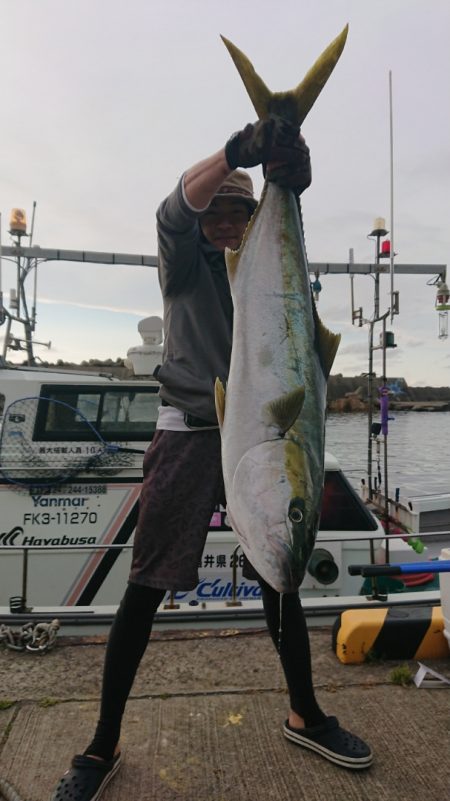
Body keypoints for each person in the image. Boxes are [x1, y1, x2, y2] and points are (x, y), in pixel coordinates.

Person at [50, 118, 372, 801]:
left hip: (261, 440)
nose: (229, 223)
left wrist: (289, 184)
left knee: (278, 573)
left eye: (241, 213)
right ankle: (100, 744)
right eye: (219, 211)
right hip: (194, 429)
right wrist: (237, 153)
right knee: (145, 585)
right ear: (204, 221)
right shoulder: (184, 263)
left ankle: (305, 712)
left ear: (255, 221)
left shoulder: (264, 273)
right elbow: (172, 211)